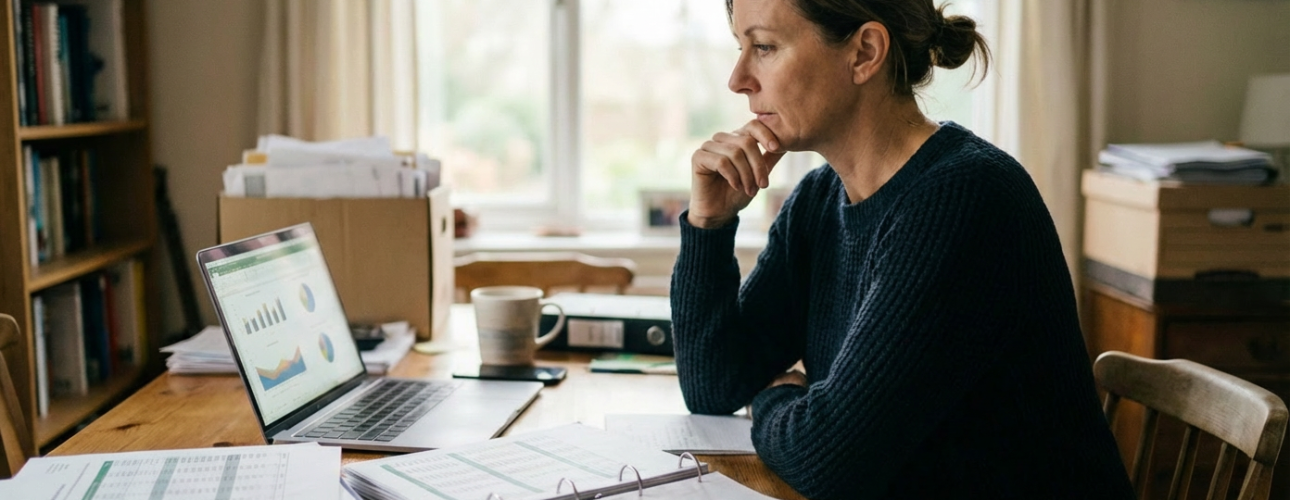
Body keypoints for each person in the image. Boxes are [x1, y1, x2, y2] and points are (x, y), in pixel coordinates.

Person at [670, 0, 1135, 498]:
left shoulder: (966, 199)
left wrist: (776, 396)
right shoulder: (820, 199)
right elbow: (714, 386)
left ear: (865, 53)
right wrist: (709, 224)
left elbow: (828, 460)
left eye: (764, 47)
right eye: (741, 48)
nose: (738, 78)